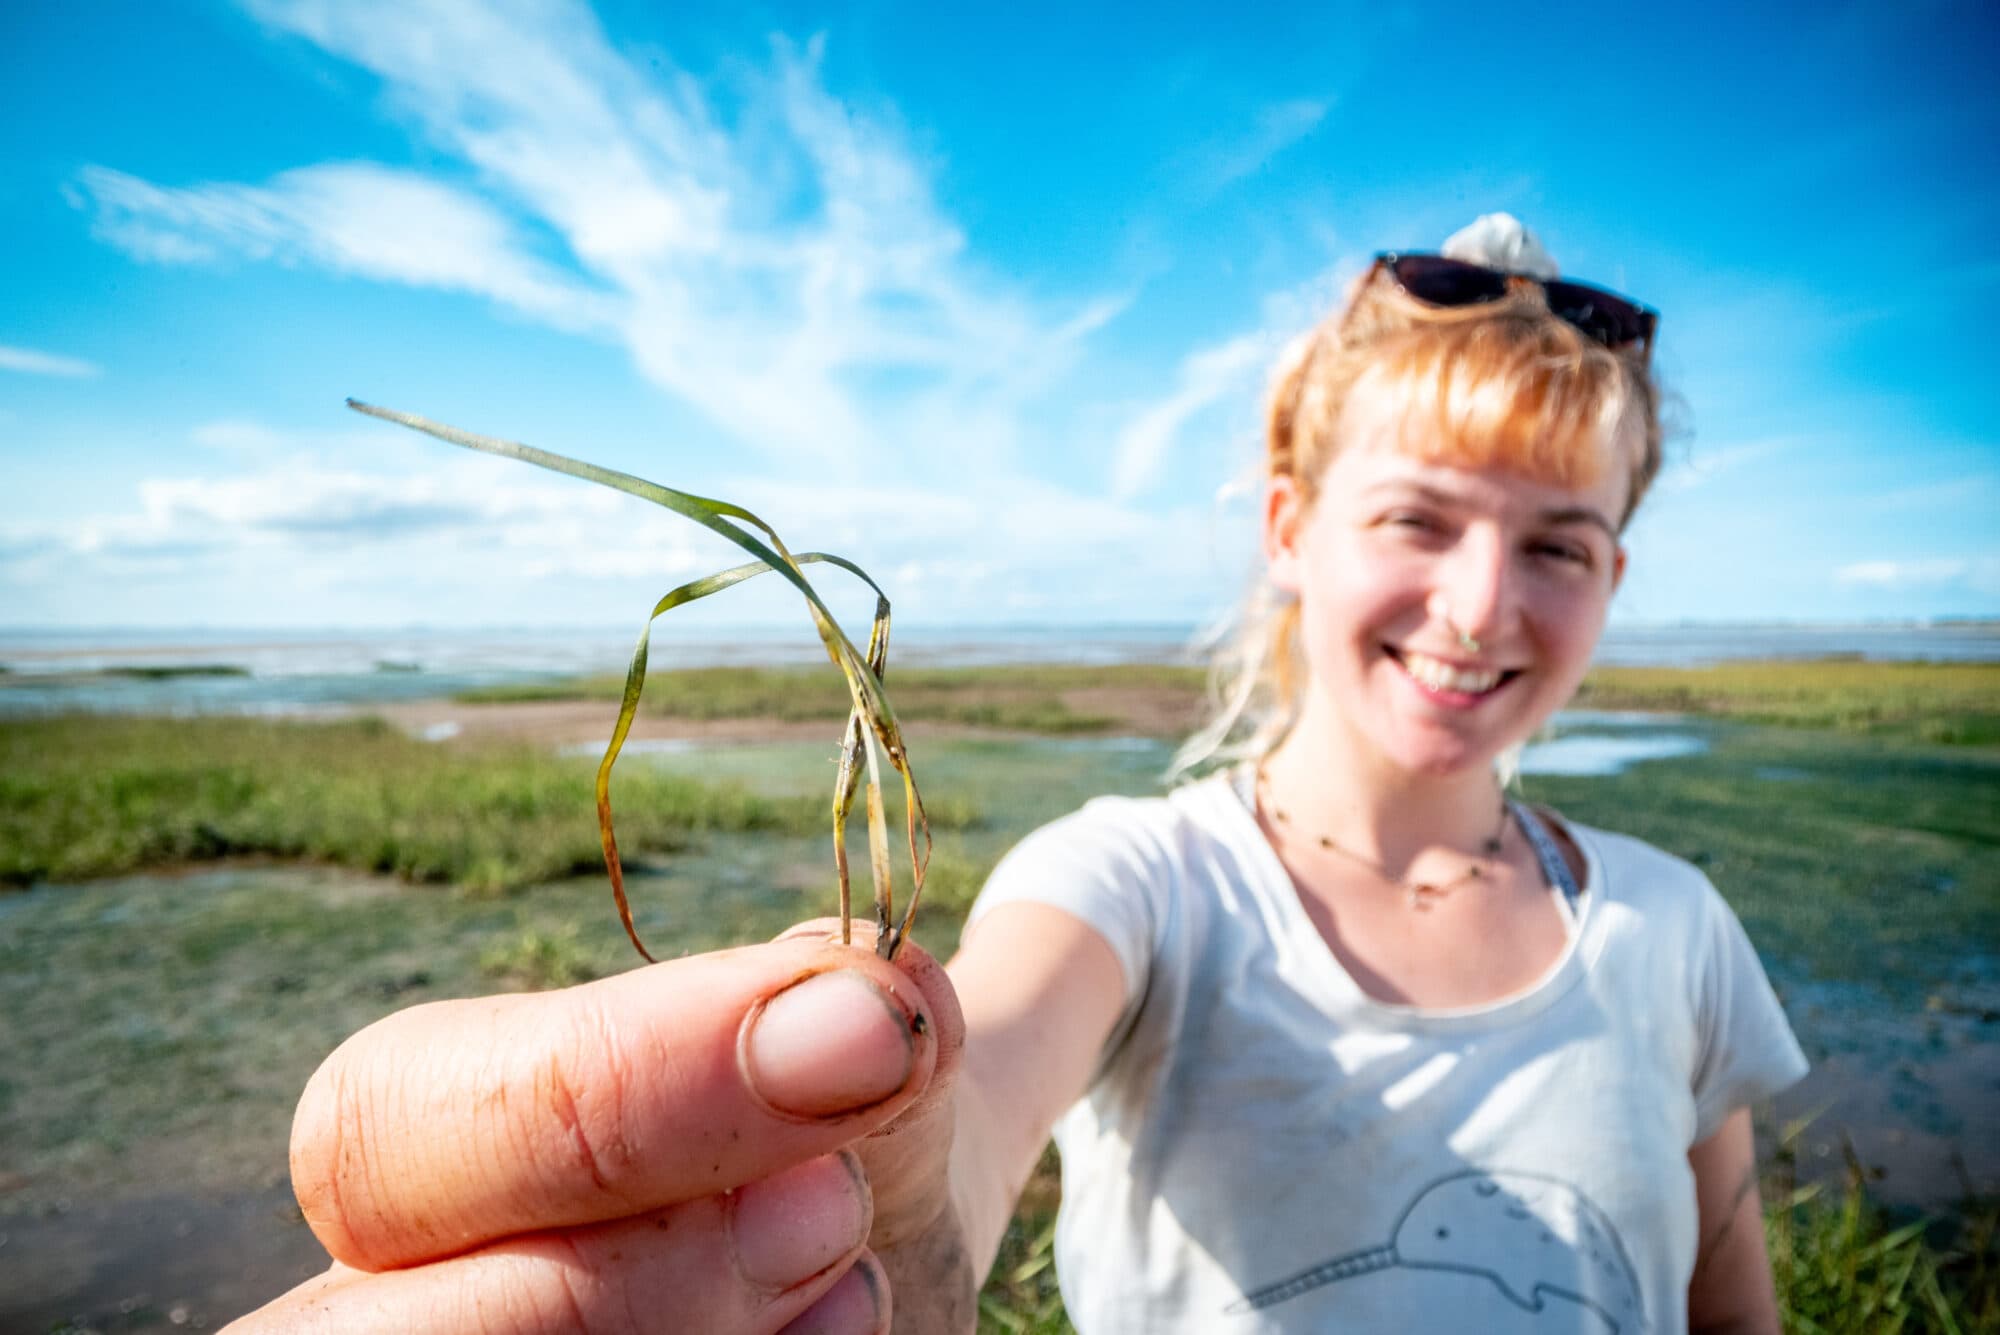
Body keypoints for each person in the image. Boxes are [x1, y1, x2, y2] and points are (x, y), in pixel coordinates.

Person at [228, 215, 1807, 1334]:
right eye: (1417, 518)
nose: (1480, 605)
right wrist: (885, 1191)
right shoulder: (1135, 880)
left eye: (1560, 546)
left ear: (1615, 576)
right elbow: (961, 1149)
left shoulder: (1678, 931)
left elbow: (1727, 1306)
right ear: (1288, 533)